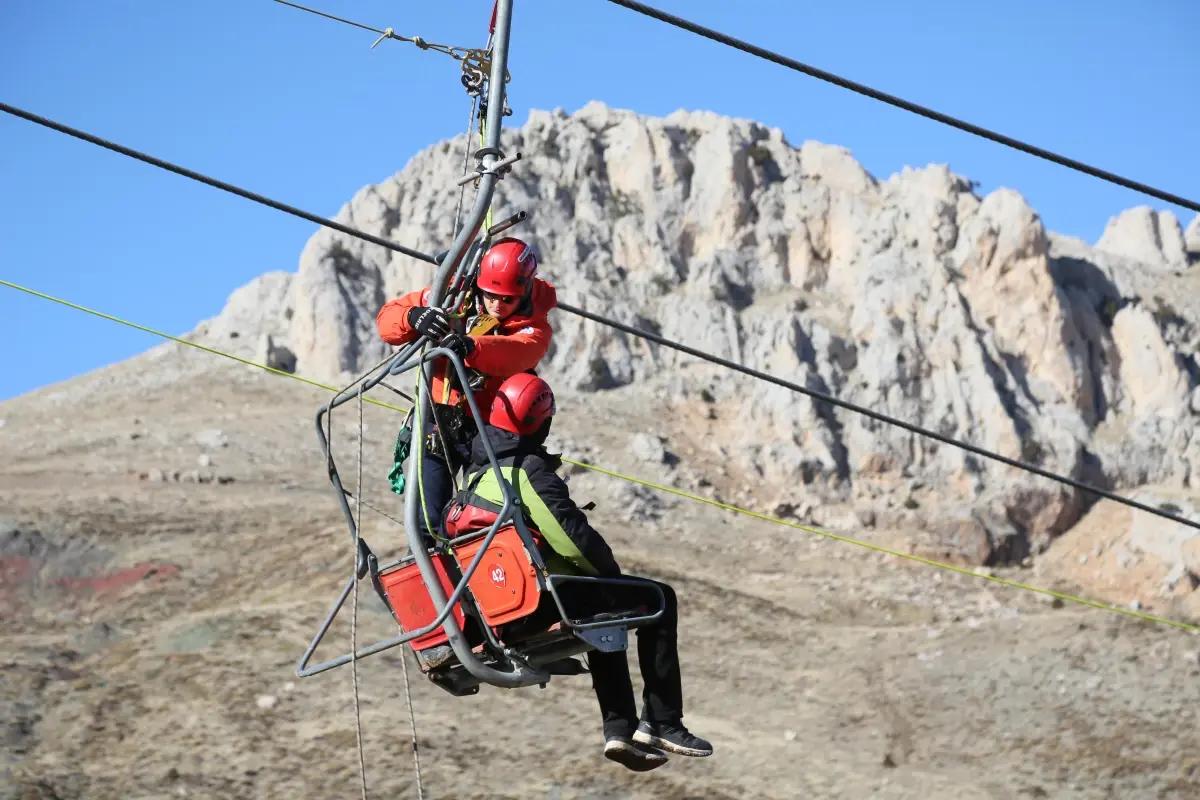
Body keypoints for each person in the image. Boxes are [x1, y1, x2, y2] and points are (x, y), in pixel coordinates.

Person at [445, 372, 713, 772]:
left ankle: (621, 730)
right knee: (657, 598)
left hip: (501, 615)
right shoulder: (525, 471)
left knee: (604, 610)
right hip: (540, 603)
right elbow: (571, 536)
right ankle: (663, 720)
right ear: (541, 422)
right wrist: (609, 572)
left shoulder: (479, 477)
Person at [375, 237, 556, 546]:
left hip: (488, 433)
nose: (497, 304)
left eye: (507, 299)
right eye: (490, 295)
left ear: (524, 292)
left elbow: (518, 352)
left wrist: (472, 346)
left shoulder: (533, 326)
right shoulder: (453, 296)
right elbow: (388, 318)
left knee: (479, 518)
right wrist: (413, 317)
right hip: (439, 424)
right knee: (425, 524)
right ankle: (435, 583)